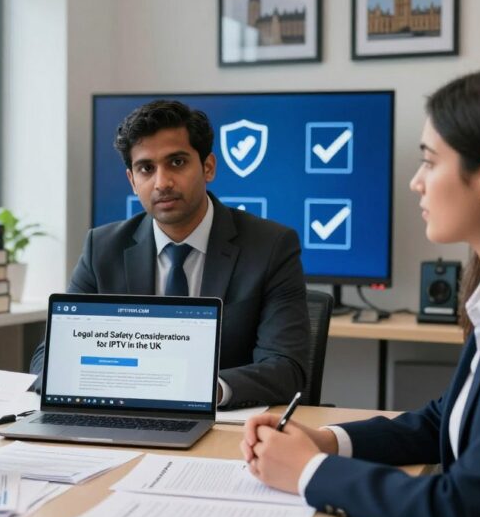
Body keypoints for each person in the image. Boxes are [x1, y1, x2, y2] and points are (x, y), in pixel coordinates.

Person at [241, 65, 480, 517]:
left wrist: (307, 471)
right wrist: (325, 441)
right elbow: (444, 419)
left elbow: (467, 510)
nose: (415, 182)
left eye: (429, 161)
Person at [30, 100, 310, 408]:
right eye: (146, 169)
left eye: (176, 163)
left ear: (208, 167)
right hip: (123, 420)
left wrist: (198, 392)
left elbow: (287, 369)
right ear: (132, 180)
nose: (162, 182)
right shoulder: (103, 247)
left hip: (225, 428)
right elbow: (49, 359)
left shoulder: (270, 246)